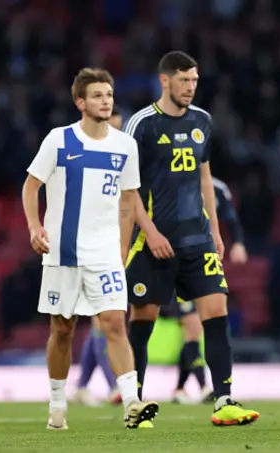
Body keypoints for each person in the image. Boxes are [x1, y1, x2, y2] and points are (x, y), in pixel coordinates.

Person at [123, 50, 258, 427]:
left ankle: (224, 399)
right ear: (165, 80)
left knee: (216, 314)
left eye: (195, 81)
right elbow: (128, 188)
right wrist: (149, 233)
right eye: (184, 80)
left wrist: (215, 230)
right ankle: (134, 404)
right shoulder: (143, 124)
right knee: (143, 321)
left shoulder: (203, 121)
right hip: (154, 242)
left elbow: (204, 180)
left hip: (197, 240)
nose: (191, 87)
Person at [21, 68, 159, 429]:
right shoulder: (58, 140)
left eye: (109, 94)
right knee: (63, 329)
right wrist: (35, 227)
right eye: (98, 95)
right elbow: (31, 186)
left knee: (114, 322)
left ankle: (131, 402)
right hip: (62, 251)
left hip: (105, 254)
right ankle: (57, 406)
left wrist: (122, 248)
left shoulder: (125, 145)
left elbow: (129, 201)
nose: (106, 101)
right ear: (80, 102)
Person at [172, 176, 248, 405]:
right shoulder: (172, 182)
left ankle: (180, 388)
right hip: (175, 262)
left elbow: (232, 220)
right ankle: (204, 386)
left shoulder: (217, 188)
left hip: (202, 262)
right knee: (193, 329)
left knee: (192, 334)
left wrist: (238, 243)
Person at [74, 109, 125, 408]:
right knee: (103, 317)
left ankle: (82, 386)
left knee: (104, 318)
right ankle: (114, 386)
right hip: (91, 246)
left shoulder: (123, 163)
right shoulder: (87, 161)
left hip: (114, 245)